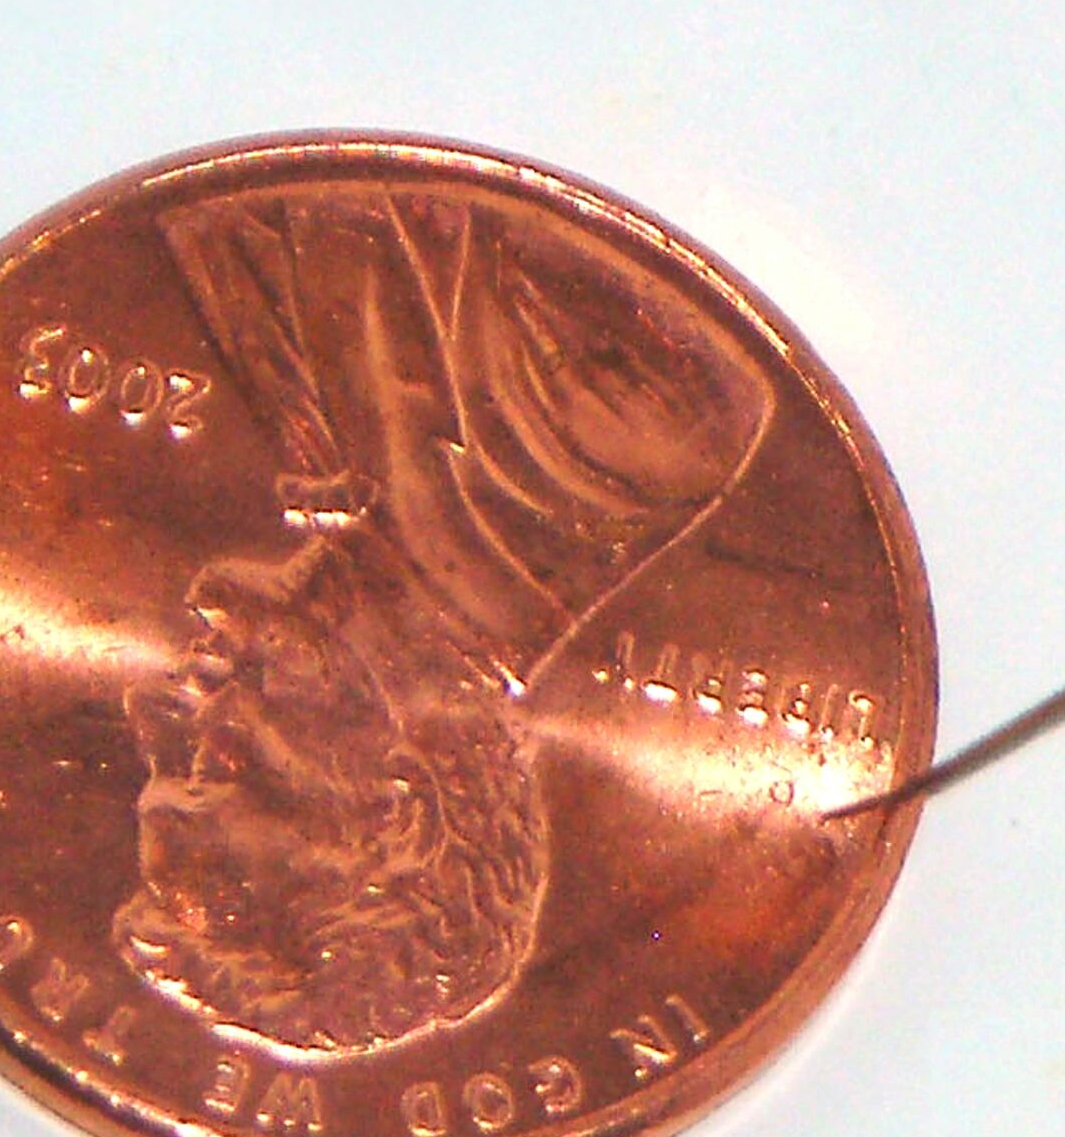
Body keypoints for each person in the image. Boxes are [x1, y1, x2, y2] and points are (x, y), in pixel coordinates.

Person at [112, 179, 774, 1054]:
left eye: (165, 757)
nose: (157, 705)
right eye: (217, 765)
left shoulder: (328, 467)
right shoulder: (632, 446)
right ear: (396, 810)